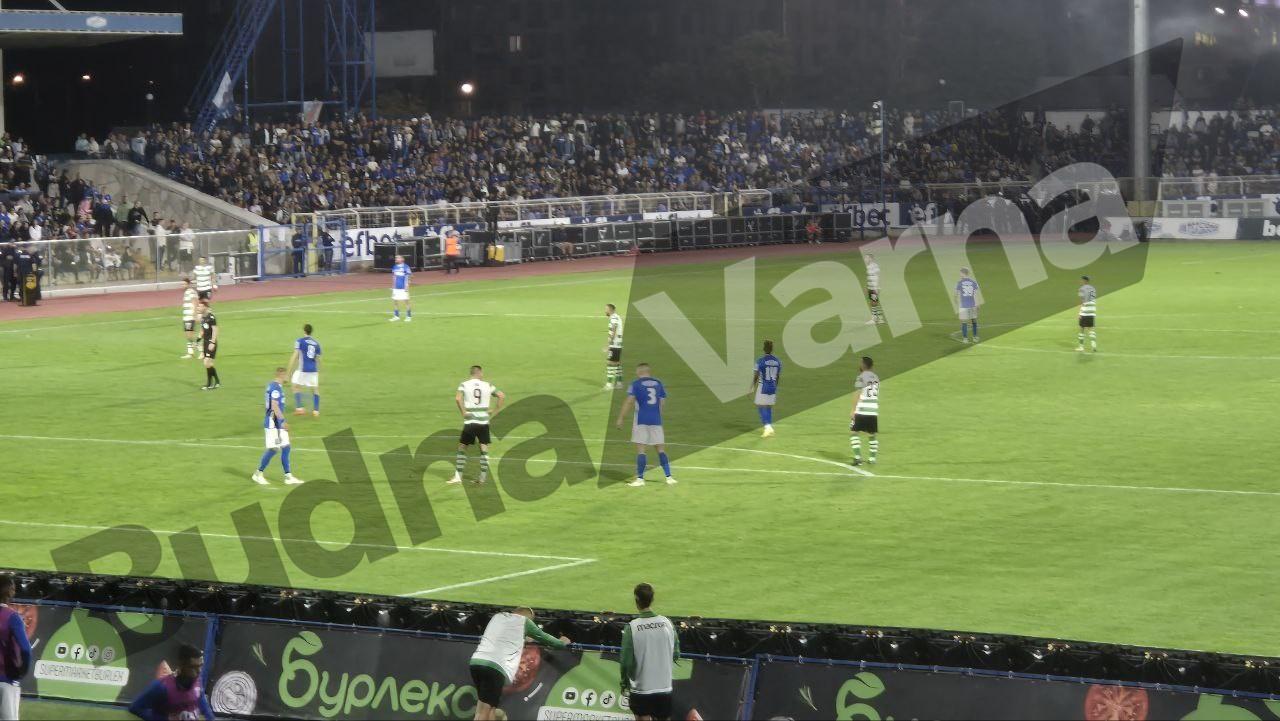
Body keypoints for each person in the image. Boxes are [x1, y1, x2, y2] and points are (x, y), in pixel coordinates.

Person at [468, 608, 569, 721]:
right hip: (495, 667)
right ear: (528, 617)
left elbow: (506, 634)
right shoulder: (524, 621)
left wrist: (524, 636)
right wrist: (562, 642)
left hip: (476, 662)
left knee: (485, 707)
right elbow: (548, 639)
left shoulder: (498, 616)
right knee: (486, 710)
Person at [621, 583, 679, 721]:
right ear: (652, 599)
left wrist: (624, 684)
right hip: (664, 688)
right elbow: (676, 654)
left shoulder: (632, 628)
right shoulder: (667, 623)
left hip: (642, 689)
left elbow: (626, 663)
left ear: (636, 599)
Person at [615, 363, 676, 487]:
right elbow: (662, 402)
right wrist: (657, 415)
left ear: (639, 372)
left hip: (641, 420)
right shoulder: (658, 383)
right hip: (656, 420)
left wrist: (621, 418)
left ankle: (640, 479)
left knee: (641, 451)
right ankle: (669, 477)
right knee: (660, 450)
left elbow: (629, 402)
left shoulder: (636, 384)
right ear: (649, 372)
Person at [127, 644, 214, 720]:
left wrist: (209, 717)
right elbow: (135, 708)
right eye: (193, 667)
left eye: (201, 665)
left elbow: (201, 699)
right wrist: (165, 719)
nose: (199, 671)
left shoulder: (197, 680)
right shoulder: (161, 687)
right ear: (181, 665)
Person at [451, 366, 505, 485]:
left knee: (462, 446)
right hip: (484, 421)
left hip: (470, 421)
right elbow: (501, 395)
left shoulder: (464, 385)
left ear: (471, 373)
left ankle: (458, 476)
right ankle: (482, 478)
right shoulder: (487, 385)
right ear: (479, 372)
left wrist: (463, 412)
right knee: (483, 446)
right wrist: (494, 411)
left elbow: (458, 398)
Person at [252, 367, 302, 486]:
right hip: (273, 423)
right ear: (282, 375)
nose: (288, 377)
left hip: (277, 422)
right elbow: (274, 406)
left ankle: (288, 476)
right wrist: (283, 421)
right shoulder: (275, 388)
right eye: (286, 375)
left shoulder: (273, 386)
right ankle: (258, 474)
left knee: (286, 446)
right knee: (273, 449)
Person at [0, 574, 32, 721]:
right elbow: (26, 650)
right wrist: (22, 672)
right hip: (6, 679)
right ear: (10, 591)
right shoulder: (12, 617)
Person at [850, 356, 880, 467]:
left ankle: (858, 458)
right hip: (873, 411)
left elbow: (858, 393)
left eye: (860, 363)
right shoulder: (876, 377)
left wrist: (853, 410)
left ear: (863, 365)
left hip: (862, 410)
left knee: (854, 432)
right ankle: (872, 459)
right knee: (872, 434)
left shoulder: (861, 377)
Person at [287, 324, 322, 416]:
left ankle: (299, 408)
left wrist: (288, 372)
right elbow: (318, 359)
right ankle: (316, 411)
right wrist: (319, 370)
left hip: (302, 369)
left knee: (295, 386)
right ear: (311, 332)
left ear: (304, 331)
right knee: (315, 389)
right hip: (313, 370)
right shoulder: (317, 344)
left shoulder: (300, 341)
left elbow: (295, 356)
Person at [752, 340, 782, 438]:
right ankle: (769, 427)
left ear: (764, 348)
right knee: (768, 406)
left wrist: (752, 387)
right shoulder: (777, 361)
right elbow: (777, 376)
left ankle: (767, 427)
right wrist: (775, 386)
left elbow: (756, 375)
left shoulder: (760, 361)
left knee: (760, 405)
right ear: (772, 349)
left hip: (763, 387)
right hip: (772, 386)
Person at [197, 299, 222, 390]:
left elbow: (215, 330)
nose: (198, 308)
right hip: (205, 342)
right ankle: (217, 381)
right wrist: (198, 338)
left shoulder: (211, 317)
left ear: (205, 307)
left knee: (206, 362)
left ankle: (209, 384)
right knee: (209, 363)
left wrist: (213, 342)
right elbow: (203, 329)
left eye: (200, 306)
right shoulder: (203, 318)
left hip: (211, 342)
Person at [955, 267, 981, 344]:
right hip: (972, 304)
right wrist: (978, 304)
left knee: (964, 322)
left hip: (963, 305)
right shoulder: (973, 282)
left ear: (963, 273)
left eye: (960, 273)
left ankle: (965, 339)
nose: (960, 274)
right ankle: (975, 337)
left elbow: (956, 295)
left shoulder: (959, 283)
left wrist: (956, 301)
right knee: (974, 321)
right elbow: (976, 294)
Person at [604, 303, 624, 391]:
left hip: (614, 344)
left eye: (606, 309)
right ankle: (619, 383)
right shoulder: (616, 317)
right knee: (617, 363)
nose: (605, 311)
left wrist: (609, 344)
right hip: (618, 343)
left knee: (610, 363)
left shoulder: (614, 318)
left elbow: (614, 329)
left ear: (610, 310)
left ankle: (609, 384)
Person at [1077, 275, 1098, 352]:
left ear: (1084, 281)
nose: (1080, 281)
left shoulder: (1081, 289)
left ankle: (1081, 347)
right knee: (1091, 328)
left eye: (1081, 280)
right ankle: (1093, 344)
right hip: (1092, 311)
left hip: (1085, 311)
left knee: (1081, 329)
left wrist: (1080, 312)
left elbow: (1082, 301)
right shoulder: (1093, 288)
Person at [390, 254, 413, 322]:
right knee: (395, 301)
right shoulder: (394, 267)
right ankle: (396, 316)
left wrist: (407, 285)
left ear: (402, 259)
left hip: (404, 287)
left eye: (398, 258)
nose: (396, 259)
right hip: (396, 287)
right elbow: (394, 277)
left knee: (406, 301)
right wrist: (393, 286)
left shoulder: (406, 267)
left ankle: (408, 316)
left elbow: (410, 276)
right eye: (396, 258)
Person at [863, 253, 884, 325]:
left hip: (874, 287)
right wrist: (867, 287)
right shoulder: (869, 266)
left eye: (866, 258)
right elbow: (870, 277)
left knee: (874, 303)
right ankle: (879, 319)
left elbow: (877, 276)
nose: (865, 259)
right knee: (874, 302)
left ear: (871, 259)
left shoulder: (874, 266)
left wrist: (876, 288)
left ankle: (874, 319)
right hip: (871, 287)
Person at [181, 278, 198, 359]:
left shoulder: (191, 292)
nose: (183, 285)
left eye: (184, 284)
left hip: (190, 316)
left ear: (188, 284)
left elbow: (195, 303)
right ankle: (191, 352)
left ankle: (198, 348)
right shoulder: (186, 292)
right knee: (188, 335)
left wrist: (194, 315)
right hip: (186, 317)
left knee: (189, 334)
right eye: (182, 284)